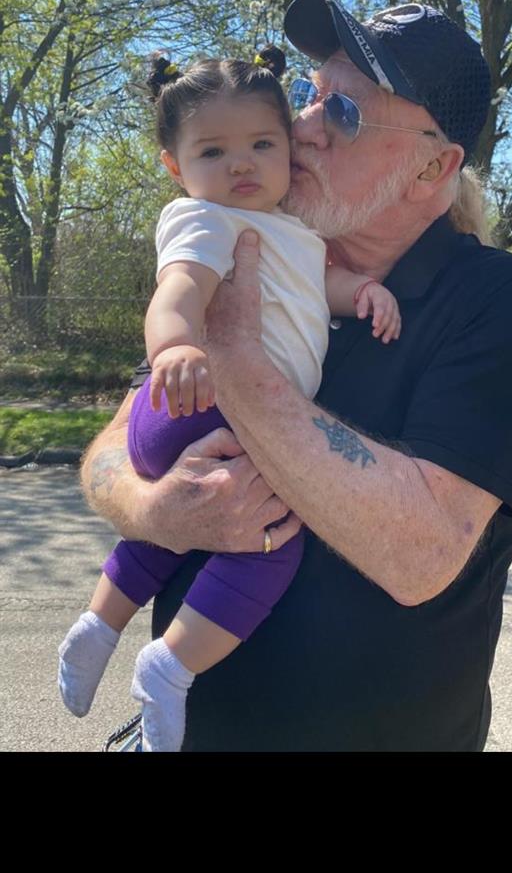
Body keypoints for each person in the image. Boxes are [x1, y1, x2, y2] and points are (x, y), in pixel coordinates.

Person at [79, 0, 512, 752]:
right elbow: (109, 452)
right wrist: (158, 509)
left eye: (346, 114)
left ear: (433, 167)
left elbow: (419, 553)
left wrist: (239, 363)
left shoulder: (502, 302)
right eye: (309, 93)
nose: (302, 127)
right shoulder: (246, 244)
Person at [58, 44, 399, 751]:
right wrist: (174, 348)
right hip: (202, 401)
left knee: (175, 528)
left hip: (200, 412)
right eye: (213, 150)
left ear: (288, 150)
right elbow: (176, 292)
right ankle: (171, 667)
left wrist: (361, 290)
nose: (241, 164)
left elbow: (314, 285)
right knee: (268, 539)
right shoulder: (205, 220)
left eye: (261, 144)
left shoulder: (291, 230)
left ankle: (97, 626)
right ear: (174, 166)